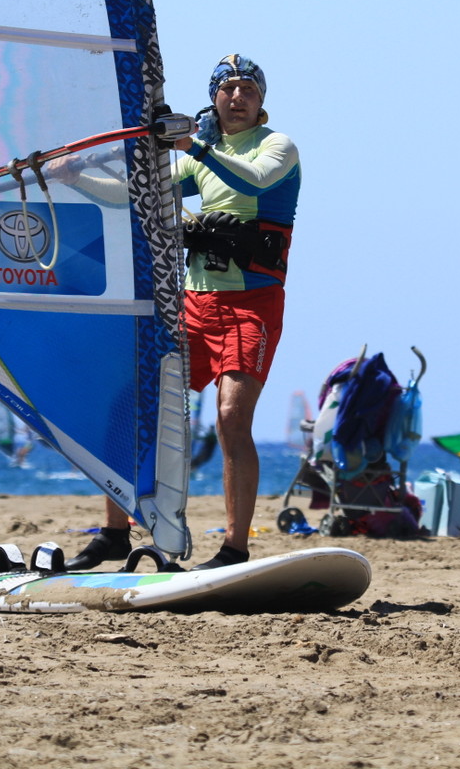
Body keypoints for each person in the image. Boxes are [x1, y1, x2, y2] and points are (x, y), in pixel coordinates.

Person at [62, 54, 301, 571]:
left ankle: (234, 548)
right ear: (214, 97)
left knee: (231, 419)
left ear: (261, 99)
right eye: (228, 88)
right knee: (129, 404)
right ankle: (114, 532)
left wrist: (193, 145)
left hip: (251, 306)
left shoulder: (277, 147)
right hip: (194, 304)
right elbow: (136, 195)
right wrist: (75, 177)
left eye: (248, 89)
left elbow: (255, 182)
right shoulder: (199, 158)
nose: (237, 96)